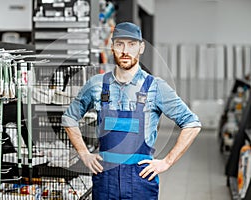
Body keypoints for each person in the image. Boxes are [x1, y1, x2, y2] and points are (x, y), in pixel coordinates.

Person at [62, 22, 201, 200]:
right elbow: (69, 118)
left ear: (141, 48)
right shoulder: (96, 84)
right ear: (111, 47)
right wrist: (84, 154)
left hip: (140, 180)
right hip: (105, 180)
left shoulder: (156, 87)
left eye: (132, 44)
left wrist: (167, 162)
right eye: (119, 44)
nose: (125, 50)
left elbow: (192, 124)